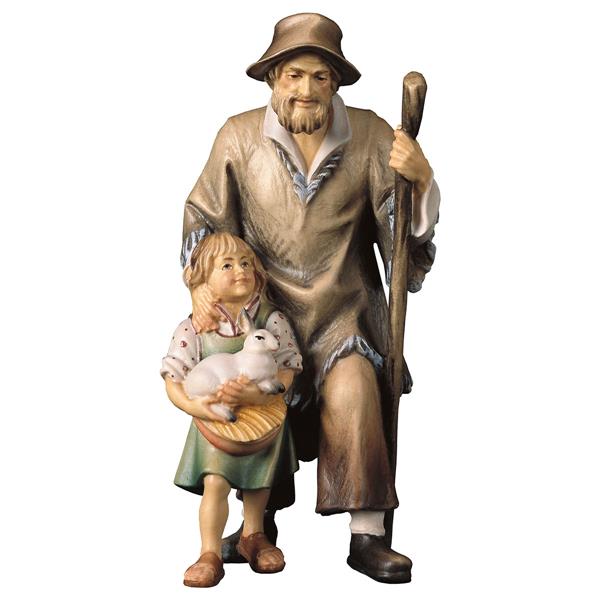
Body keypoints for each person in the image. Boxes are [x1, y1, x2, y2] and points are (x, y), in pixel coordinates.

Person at [178, 13, 440, 583]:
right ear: (273, 78)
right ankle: (257, 524)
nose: (305, 89)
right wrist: (204, 287)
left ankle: (368, 533)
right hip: (266, 316)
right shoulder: (238, 138)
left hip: (345, 314)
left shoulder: (370, 136)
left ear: (335, 82)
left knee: (355, 391)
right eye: (294, 75)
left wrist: (420, 182)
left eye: (319, 77)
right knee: (255, 400)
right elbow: (205, 217)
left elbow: (400, 236)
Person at [161, 232, 302, 587]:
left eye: (245, 263)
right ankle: (209, 551)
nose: (240, 271)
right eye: (226, 266)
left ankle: (253, 535)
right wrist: (196, 405)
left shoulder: (272, 320)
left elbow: (288, 366)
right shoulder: (194, 328)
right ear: (203, 280)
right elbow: (173, 378)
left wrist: (261, 395)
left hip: (262, 419)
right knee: (215, 483)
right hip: (216, 423)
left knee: (259, 483)